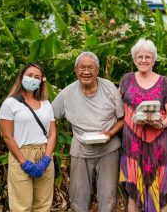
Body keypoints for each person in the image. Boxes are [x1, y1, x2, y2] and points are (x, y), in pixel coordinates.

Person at [51, 52, 124, 212]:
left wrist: (110, 134)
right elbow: (50, 116)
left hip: (109, 149)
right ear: (76, 70)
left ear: (97, 70)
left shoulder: (109, 88)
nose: (86, 71)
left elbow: (122, 118)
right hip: (80, 149)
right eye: (81, 67)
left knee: (108, 196)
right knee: (78, 196)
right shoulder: (67, 93)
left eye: (90, 67)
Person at [119, 38, 167, 212]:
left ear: (154, 59)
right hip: (133, 144)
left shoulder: (164, 82)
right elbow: (117, 109)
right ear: (134, 59)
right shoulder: (126, 80)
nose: (143, 60)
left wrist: (160, 124)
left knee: (162, 189)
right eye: (140, 57)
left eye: (148, 57)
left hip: (161, 143)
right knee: (134, 191)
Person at [0, 62, 56, 212]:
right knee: (21, 206)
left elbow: (52, 133)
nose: (33, 79)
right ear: (22, 76)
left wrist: (47, 158)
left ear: (42, 81)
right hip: (21, 155)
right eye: (29, 75)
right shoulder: (10, 103)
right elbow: (7, 136)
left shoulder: (45, 103)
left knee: (43, 205)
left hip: (45, 154)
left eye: (37, 77)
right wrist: (24, 162)